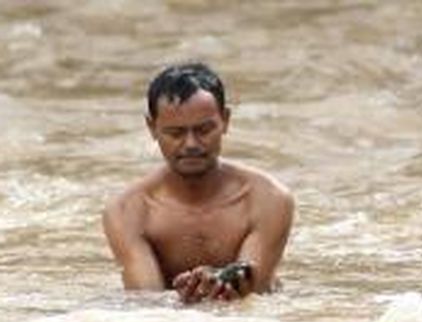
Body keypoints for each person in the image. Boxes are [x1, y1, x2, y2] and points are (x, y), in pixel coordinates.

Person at [103, 62, 294, 303]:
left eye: (204, 130)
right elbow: (147, 304)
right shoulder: (126, 211)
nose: (191, 144)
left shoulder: (269, 199)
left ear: (225, 120)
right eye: (175, 133)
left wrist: (227, 283)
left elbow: (255, 293)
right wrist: (184, 301)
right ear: (152, 128)